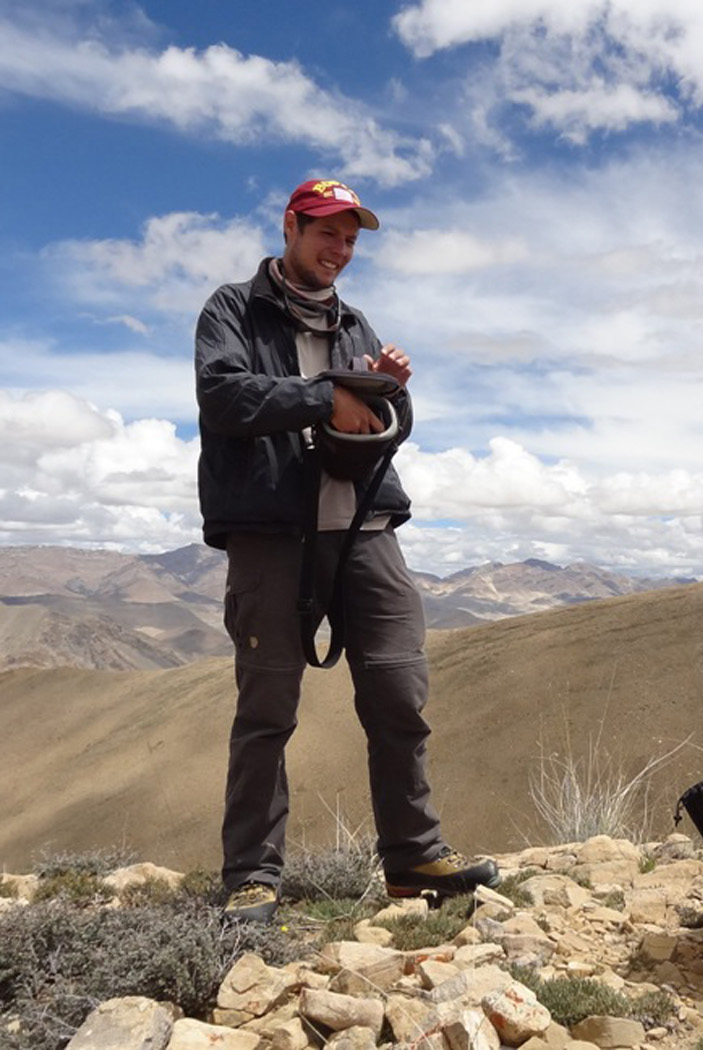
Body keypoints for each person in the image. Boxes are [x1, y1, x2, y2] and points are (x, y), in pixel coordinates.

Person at [195, 178, 498, 922]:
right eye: (327, 233)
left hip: (364, 531)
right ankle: (252, 877)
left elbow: (382, 431)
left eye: (351, 238)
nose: (340, 250)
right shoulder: (233, 309)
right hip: (271, 535)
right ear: (291, 227)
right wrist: (329, 394)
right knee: (267, 708)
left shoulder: (357, 324)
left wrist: (388, 394)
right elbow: (224, 396)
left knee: (400, 694)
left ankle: (414, 855)